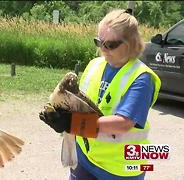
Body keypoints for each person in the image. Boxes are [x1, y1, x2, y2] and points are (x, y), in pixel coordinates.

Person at [39, 9, 161, 180]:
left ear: (131, 43)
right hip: (86, 157)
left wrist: (72, 123)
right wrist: (61, 114)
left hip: (119, 168)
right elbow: (79, 102)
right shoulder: (95, 65)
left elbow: (123, 124)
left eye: (110, 44)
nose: (103, 49)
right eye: (99, 42)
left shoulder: (142, 78)